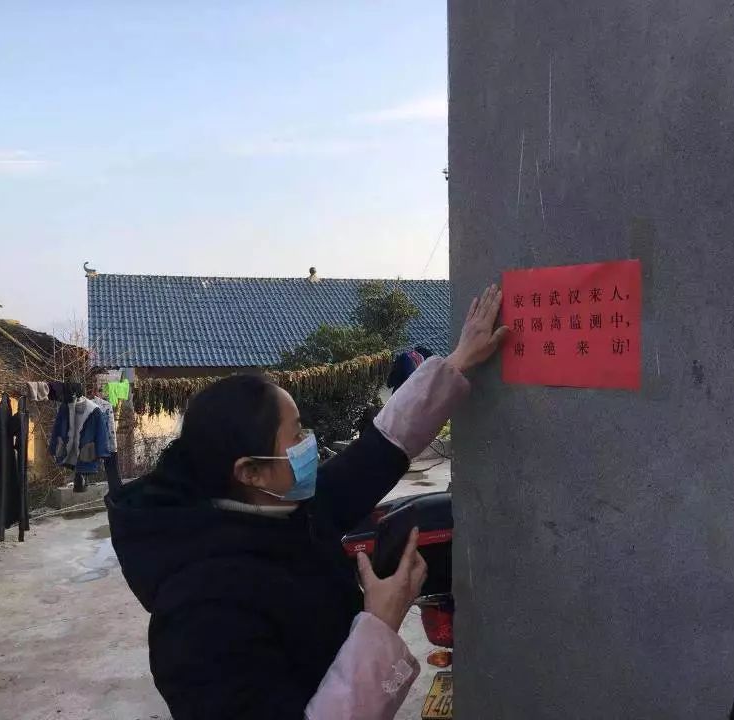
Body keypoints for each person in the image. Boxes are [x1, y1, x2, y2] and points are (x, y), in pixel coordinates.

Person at [107, 285, 508, 720]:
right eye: (296, 434)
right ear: (250, 471)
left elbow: (381, 448)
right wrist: (379, 624)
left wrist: (458, 361)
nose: (309, 444)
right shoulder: (199, 616)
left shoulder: (285, 508)